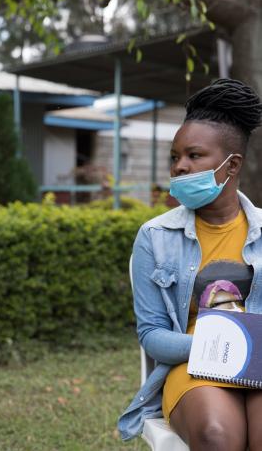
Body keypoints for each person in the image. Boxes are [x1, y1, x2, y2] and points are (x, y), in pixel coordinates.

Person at [118, 78, 262, 450]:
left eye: (194, 156)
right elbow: (152, 334)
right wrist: (218, 347)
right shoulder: (155, 236)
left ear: (232, 165)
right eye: (175, 157)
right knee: (217, 435)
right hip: (194, 366)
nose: (179, 167)